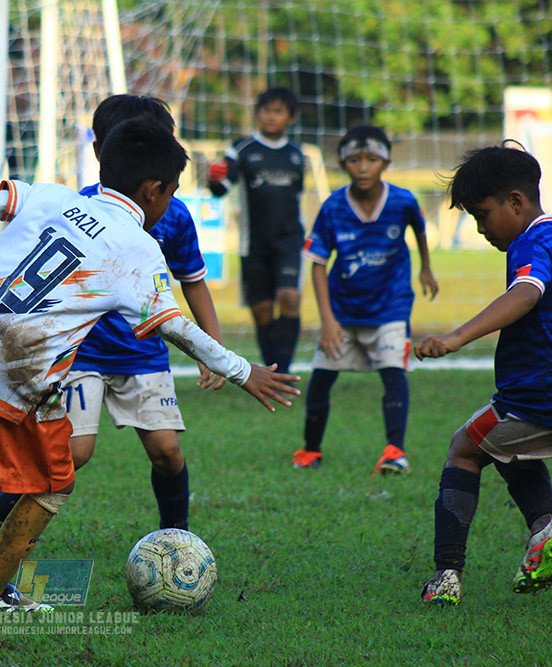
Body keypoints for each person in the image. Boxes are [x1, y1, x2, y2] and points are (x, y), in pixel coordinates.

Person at [0, 119, 300, 612]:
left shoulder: (53, 196)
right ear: (153, 190)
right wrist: (245, 371)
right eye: (172, 191)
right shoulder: (137, 250)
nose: (170, 202)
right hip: (21, 368)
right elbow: (176, 327)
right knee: (54, 484)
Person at [0, 95, 225, 567]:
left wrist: (212, 346)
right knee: (75, 453)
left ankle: (176, 546)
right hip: (82, 353)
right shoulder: (81, 207)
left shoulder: (174, 215)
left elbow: (194, 281)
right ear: (105, 150)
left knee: (167, 452)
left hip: (144, 355)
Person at [417, 144, 552, 606]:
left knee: (464, 450)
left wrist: (456, 337)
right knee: (509, 450)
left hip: (536, 394)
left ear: (516, 201)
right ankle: (546, 532)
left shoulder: (530, 244)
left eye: (482, 214)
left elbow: (526, 294)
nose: (479, 228)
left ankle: (445, 577)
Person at [295, 125, 438, 473]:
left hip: (391, 306)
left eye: (371, 159)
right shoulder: (332, 207)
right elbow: (316, 264)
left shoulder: (403, 201)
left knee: (393, 373)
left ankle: (395, 451)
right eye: (355, 160)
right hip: (343, 311)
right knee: (321, 380)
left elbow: (419, 229)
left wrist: (426, 269)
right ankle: (310, 450)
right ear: (343, 164)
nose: (363, 167)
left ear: (385, 162)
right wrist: (328, 321)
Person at [207, 87, 305, 375]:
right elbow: (221, 189)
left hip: (289, 241)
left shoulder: (297, 155)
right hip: (254, 245)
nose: (270, 116)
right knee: (262, 311)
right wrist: (214, 180)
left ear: (290, 117)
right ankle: (272, 370)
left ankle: (284, 371)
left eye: (278, 111)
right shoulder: (241, 150)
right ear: (257, 113)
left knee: (289, 297)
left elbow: (296, 197)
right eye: (265, 110)